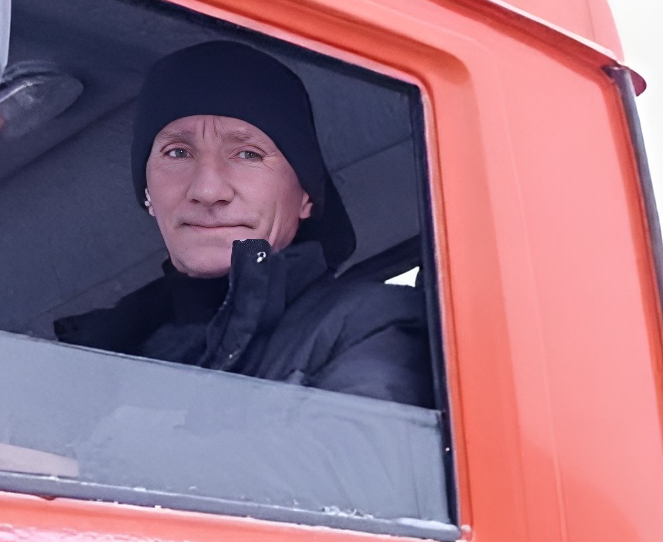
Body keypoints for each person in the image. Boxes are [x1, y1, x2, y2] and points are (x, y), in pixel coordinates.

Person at [54, 40, 431, 407]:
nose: (207, 190)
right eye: (178, 152)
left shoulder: (371, 324)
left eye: (248, 154)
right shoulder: (92, 359)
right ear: (148, 194)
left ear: (306, 196)